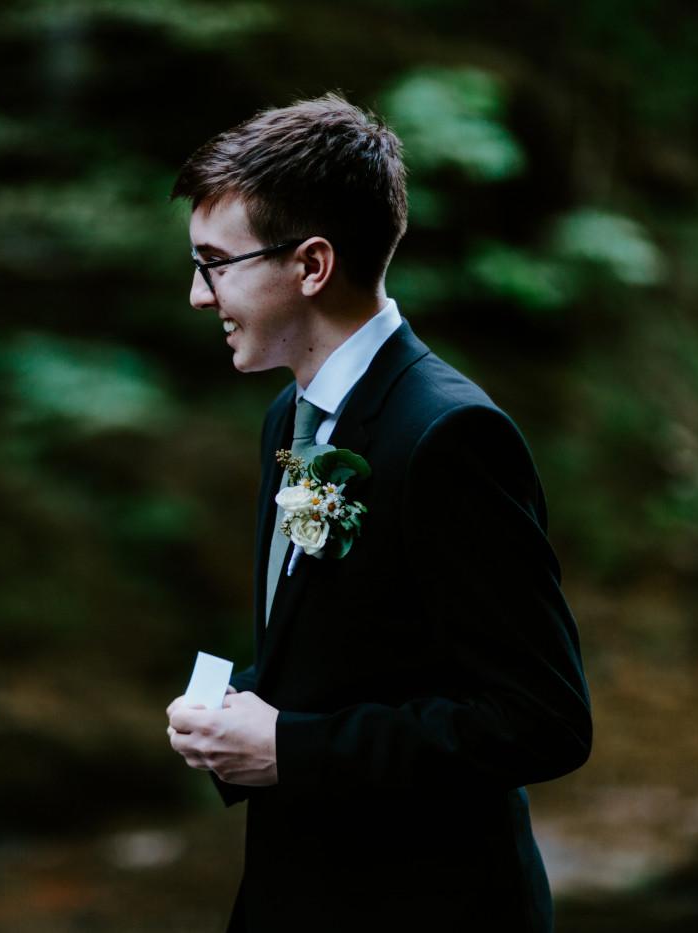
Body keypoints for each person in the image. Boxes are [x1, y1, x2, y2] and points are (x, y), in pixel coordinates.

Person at [165, 95, 592, 931]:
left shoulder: (451, 436)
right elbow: (354, 661)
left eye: (215, 263)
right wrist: (238, 715)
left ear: (311, 265)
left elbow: (542, 721)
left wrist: (290, 748)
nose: (197, 294)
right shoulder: (287, 420)